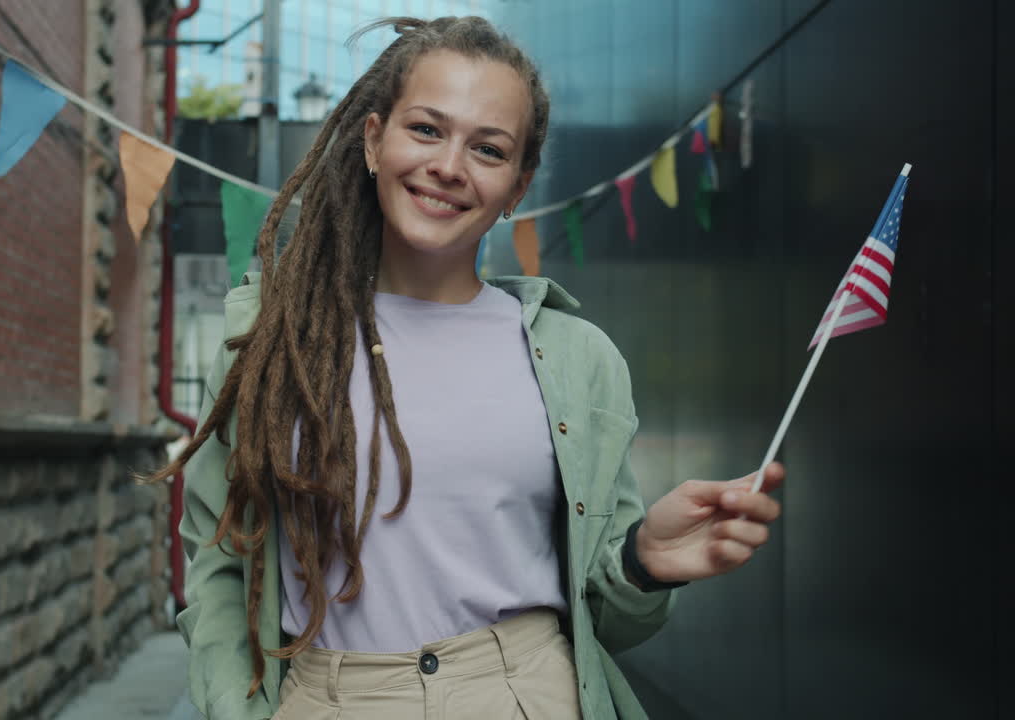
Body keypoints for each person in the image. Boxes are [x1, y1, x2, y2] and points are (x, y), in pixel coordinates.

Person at [149, 16, 784, 720]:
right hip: (327, 696)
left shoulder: (578, 359)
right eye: (426, 129)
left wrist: (642, 562)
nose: (449, 166)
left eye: (488, 148)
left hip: (527, 691)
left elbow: (609, 621)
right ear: (372, 140)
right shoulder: (270, 339)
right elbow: (219, 570)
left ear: (518, 186)